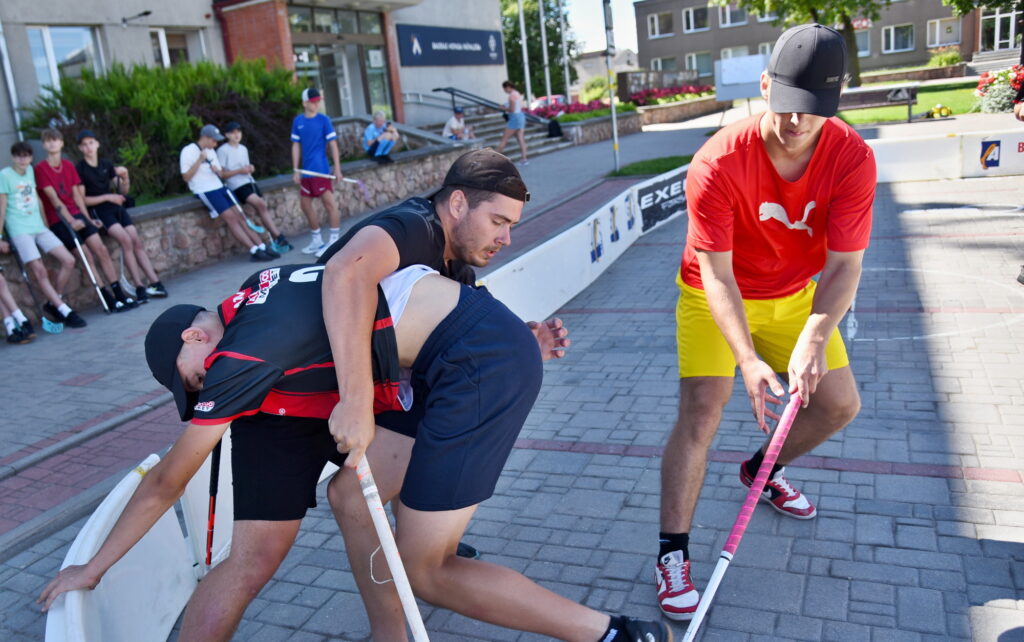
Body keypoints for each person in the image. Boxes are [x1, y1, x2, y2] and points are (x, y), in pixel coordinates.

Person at [35, 261, 669, 642]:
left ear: (196, 338)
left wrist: (93, 568)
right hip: (312, 400)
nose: (196, 391)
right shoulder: (262, 284)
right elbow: (418, 284)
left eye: (188, 380)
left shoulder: (235, 357)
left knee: (424, 563)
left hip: (369, 391)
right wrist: (512, 333)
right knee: (295, 531)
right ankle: (393, 626)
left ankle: (605, 631)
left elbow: (166, 482)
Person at [656, 24, 874, 621]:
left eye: (814, 108)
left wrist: (814, 336)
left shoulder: (853, 157)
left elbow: (845, 264)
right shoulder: (717, 163)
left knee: (839, 404)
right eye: (787, 104)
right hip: (714, 293)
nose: (798, 122)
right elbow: (717, 276)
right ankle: (672, 553)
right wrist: (748, 361)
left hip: (795, 295)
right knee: (704, 409)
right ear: (763, 87)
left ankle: (762, 470)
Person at [35, 128, 138, 312]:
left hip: (77, 214)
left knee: (102, 250)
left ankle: (119, 293)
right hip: (59, 220)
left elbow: (77, 196)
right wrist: (72, 221)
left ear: (61, 143)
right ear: (43, 145)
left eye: (55, 140)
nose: (52, 144)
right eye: (48, 141)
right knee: (87, 256)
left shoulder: (68, 166)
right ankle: (107, 297)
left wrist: (88, 219)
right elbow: (54, 200)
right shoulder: (41, 169)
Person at [0, 141, 86, 329]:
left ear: (30, 158)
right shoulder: (5, 175)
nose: (22, 160)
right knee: (39, 271)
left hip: (38, 226)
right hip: (19, 229)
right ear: (13, 157)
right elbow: (2, 206)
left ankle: (55, 301)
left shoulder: (30, 171)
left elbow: (37, 199)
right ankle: (64, 310)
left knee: (68, 260)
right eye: (19, 156)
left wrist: (46, 224)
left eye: (26, 156)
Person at [75, 130, 168, 304]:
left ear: (97, 144)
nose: (89, 147)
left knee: (135, 240)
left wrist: (125, 177)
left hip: (116, 207)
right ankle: (139, 287)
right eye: (84, 144)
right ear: (80, 148)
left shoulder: (106, 164)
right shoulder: (80, 169)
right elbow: (82, 200)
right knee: (125, 240)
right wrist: (108, 197)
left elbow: (123, 191)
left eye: (91, 143)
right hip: (99, 210)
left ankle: (155, 282)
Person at [180, 124, 279, 262]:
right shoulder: (189, 151)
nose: (215, 144)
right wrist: (200, 160)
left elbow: (221, 173)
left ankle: (261, 246)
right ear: (205, 137)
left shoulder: (211, 151)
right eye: (213, 141)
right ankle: (253, 250)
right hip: (205, 189)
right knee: (230, 217)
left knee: (241, 216)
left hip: (219, 186)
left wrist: (218, 171)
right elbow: (186, 177)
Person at [216, 121, 293, 253]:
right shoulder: (223, 151)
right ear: (227, 135)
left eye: (238, 132)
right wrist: (240, 171)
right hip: (236, 185)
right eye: (233, 132)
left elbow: (247, 167)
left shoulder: (243, 149)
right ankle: (277, 236)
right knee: (260, 204)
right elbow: (222, 174)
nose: (236, 135)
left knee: (262, 206)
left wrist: (250, 168)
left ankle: (277, 236)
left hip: (249, 182)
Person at [291, 87, 342, 256]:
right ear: (305, 103)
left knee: (329, 204)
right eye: (313, 102)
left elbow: (333, 144)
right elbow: (296, 145)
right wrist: (295, 170)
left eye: (318, 101)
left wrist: (337, 168)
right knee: (305, 205)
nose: (316, 104)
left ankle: (334, 242)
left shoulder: (324, 120)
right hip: (305, 172)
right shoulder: (298, 121)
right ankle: (317, 241)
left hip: (321, 170)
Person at [495, 80, 528, 165]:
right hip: (520, 116)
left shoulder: (511, 95)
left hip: (514, 118)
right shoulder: (517, 93)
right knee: (520, 139)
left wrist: (503, 108)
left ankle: (493, 159)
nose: (504, 90)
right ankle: (524, 159)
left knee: (504, 139)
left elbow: (512, 109)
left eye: (504, 88)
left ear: (508, 87)